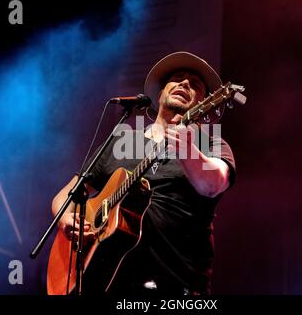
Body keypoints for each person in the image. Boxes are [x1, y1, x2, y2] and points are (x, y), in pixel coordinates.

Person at [51, 51, 236, 296]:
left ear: (205, 102)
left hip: (176, 286)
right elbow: (67, 195)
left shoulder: (211, 144)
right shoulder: (121, 141)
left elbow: (213, 184)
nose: (184, 84)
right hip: (107, 284)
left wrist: (188, 151)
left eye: (195, 84)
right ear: (159, 94)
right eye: (177, 78)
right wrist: (65, 218)